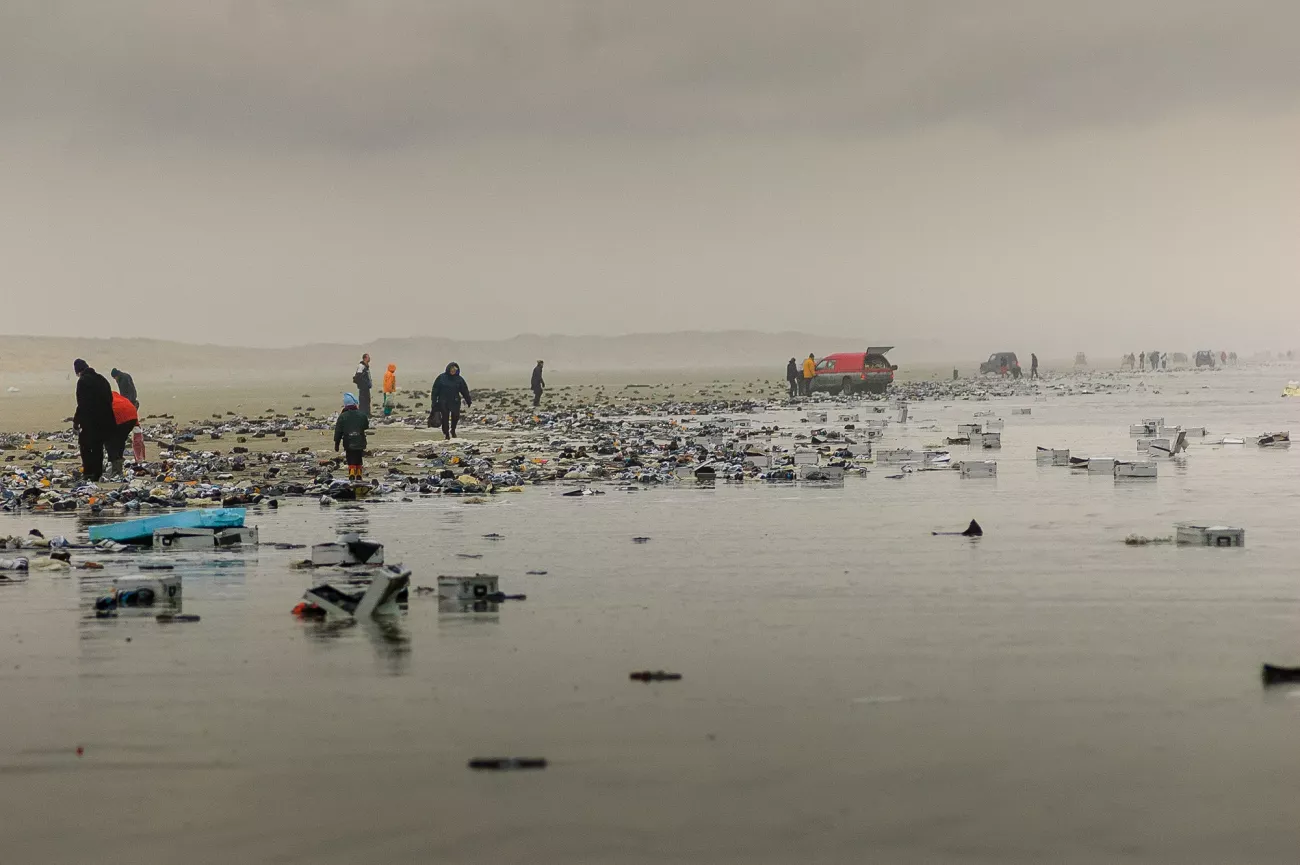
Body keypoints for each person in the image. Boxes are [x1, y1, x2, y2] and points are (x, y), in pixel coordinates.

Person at [72, 359, 115, 483]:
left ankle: (88, 472)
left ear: (78, 371)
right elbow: (110, 398)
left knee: (85, 445)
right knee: (98, 446)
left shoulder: (83, 381)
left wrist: (76, 421)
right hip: (106, 419)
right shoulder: (102, 379)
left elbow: (82, 404)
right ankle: (97, 473)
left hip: (90, 420)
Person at [431, 362, 473, 440]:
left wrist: (468, 400)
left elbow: (464, 390)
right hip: (443, 401)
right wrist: (434, 402)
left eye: (455, 370)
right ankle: (446, 433)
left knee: (455, 417)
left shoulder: (459, 379)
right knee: (445, 418)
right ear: (448, 369)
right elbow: (435, 390)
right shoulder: (441, 378)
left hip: (455, 401)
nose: (453, 371)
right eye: (452, 369)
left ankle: (453, 430)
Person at [333, 393, 370, 480]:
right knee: (358, 457)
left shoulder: (342, 417)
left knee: (350, 457)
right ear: (354, 403)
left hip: (348, 441)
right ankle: (359, 473)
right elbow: (366, 426)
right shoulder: (362, 415)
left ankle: (352, 472)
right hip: (360, 440)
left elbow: (338, 431)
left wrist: (336, 443)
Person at [104, 391, 139, 478]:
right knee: (120, 440)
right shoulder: (113, 394)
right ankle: (118, 465)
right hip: (132, 416)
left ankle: (116, 469)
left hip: (120, 417)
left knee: (110, 442)